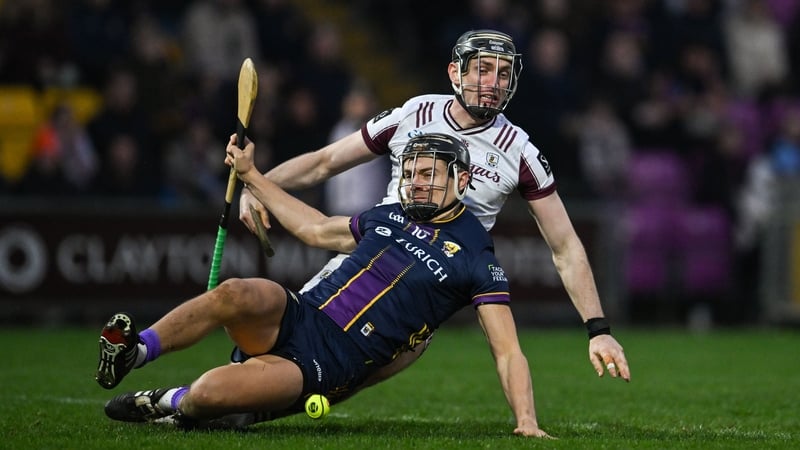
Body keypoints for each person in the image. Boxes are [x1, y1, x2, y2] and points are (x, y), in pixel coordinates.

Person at [238, 29, 631, 385]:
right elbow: (325, 162)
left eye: (503, 73)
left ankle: (213, 400)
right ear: (455, 73)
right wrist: (258, 183)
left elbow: (565, 246)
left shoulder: (520, 152)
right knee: (281, 351)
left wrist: (598, 330)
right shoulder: (415, 113)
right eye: (482, 70)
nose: (493, 83)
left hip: (422, 299)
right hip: (366, 261)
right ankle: (201, 399)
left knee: (326, 379)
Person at [95, 133, 552, 438]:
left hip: (325, 365)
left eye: (429, 175)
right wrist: (253, 175)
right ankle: (135, 351)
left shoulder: (476, 256)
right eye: (411, 174)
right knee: (234, 291)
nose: (415, 184)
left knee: (208, 395)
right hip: (300, 313)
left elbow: (507, 349)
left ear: (462, 180)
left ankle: (170, 403)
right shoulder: (389, 214)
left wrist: (526, 421)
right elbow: (315, 230)